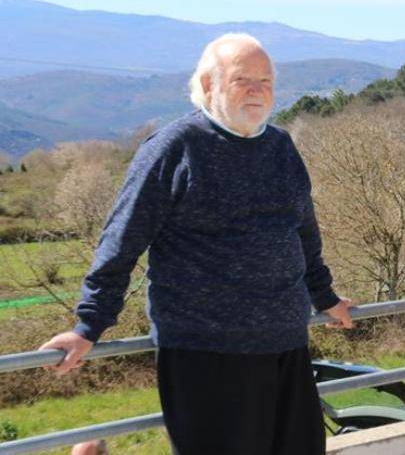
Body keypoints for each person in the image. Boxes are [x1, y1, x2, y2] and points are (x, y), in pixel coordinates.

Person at [39, 33, 354, 455]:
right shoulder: (175, 148)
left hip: (285, 344)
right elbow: (121, 240)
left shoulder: (280, 146)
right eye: (244, 79)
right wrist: (88, 326)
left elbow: (304, 233)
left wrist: (325, 297)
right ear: (209, 85)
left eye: (266, 81)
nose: (259, 91)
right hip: (206, 355)